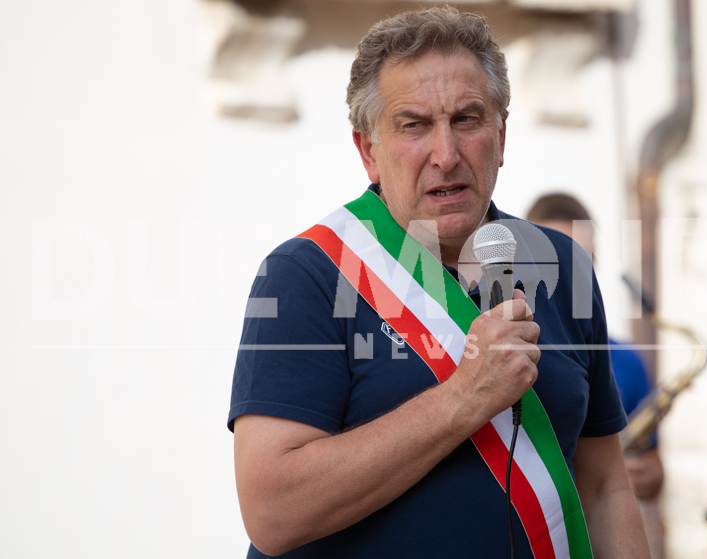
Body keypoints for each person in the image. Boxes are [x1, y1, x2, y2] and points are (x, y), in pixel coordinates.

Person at [228, 7, 650, 558]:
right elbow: (272, 513)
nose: (446, 155)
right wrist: (464, 398)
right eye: (414, 125)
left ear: (501, 135)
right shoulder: (305, 274)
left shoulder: (563, 266)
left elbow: (605, 487)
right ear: (368, 150)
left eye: (467, 119)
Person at [526, 193, 665, 558]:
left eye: (580, 259)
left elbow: (654, 469)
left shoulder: (629, 361)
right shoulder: (494, 345)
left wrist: (638, 478)